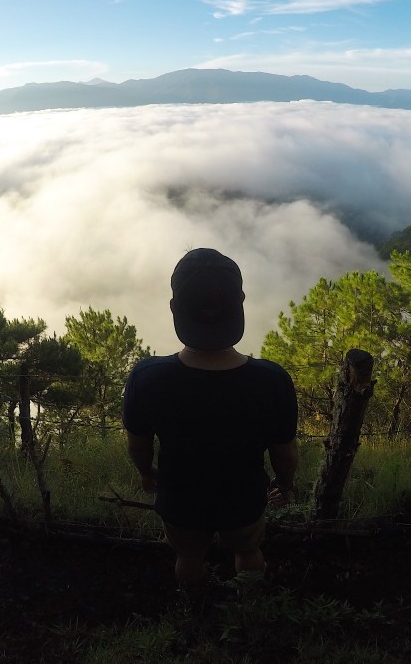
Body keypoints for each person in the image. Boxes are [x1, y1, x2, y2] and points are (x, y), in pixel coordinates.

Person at [121, 248, 298, 591]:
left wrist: (146, 474)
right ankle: (249, 601)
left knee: (187, 558)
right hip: (245, 499)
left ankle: (195, 604)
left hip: (180, 499)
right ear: (241, 300)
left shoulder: (147, 377)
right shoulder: (272, 380)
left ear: (174, 306)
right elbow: (285, 453)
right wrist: (285, 484)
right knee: (249, 549)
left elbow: (137, 444)